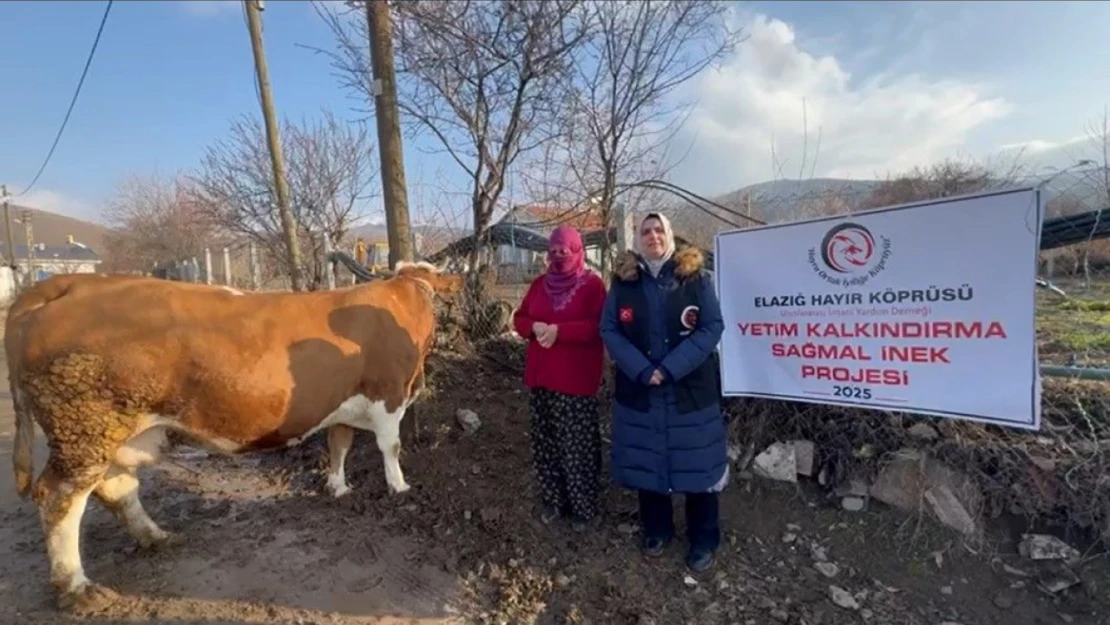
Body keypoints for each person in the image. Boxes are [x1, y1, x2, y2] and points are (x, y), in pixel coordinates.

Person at [599, 212, 727, 572]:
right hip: (641, 389)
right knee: (647, 461)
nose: (652, 235)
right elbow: (609, 329)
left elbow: (711, 326)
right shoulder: (624, 281)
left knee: (699, 466)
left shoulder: (693, 277)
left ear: (670, 236)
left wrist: (669, 368)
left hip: (689, 391)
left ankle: (703, 537)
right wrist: (642, 370)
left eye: (659, 230)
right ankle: (657, 529)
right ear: (638, 239)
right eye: (645, 231)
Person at [512, 225, 608, 531]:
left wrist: (560, 332)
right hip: (542, 378)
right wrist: (534, 327)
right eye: (554, 251)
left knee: (576, 446)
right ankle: (554, 501)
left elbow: (599, 327)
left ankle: (583, 507)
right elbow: (519, 317)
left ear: (578, 251)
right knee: (546, 443)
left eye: (565, 251)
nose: (559, 257)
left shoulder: (592, 286)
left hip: (575, 382)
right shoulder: (540, 284)